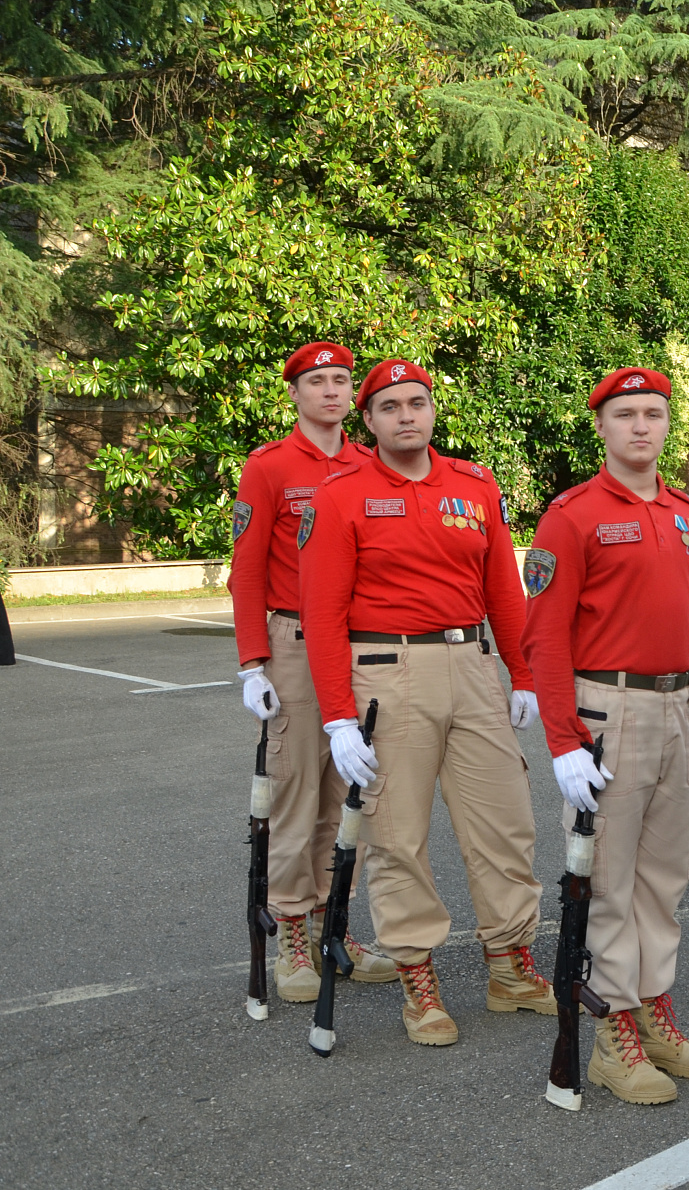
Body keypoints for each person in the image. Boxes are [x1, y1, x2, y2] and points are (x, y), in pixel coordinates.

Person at [299, 358, 550, 1046]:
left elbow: (504, 587)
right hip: (386, 668)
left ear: (433, 410)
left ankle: (511, 963)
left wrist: (523, 675)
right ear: (369, 420)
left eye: (418, 402)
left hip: (472, 664)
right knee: (397, 833)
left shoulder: (473, 485)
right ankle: (418, 975)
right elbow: (321, 613)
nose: (406, 415)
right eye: (390, 406)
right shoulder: (340, 494)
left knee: (505, 821)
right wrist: (338, 714)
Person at [521, 366, 689, 1105]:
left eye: (654, 413)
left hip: (678, 707)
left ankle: (651, 1006)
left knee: (663, 879)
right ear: (602, 427)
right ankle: (612, 1031)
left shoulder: (682, 509)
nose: (643, 426)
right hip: (610, 713)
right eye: (627, 414)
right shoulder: (571, 515)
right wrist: (562, 739)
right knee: (608, 880)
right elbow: (543, 637)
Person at [228, 341, 399, 1002]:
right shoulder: (270, 466)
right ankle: (292, 934)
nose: (332, 391)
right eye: (317, 381)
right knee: (297, 793)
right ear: (295, 393)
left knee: (345, 793)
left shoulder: (367, 462)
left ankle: (336, 922)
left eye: (341, 380)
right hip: (294, 643)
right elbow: (246, 570)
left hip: (358, 643)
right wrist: (252, 661)